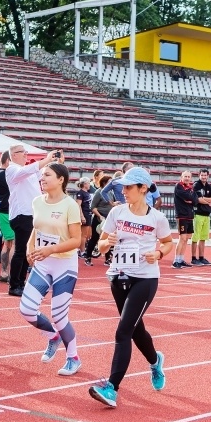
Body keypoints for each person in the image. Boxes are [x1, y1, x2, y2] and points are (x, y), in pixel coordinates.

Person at [88, 168, 175, 408]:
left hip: (145, 279)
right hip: (118, 277)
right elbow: (102, 246)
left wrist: (157, 253)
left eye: (128, 187)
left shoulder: (156, 218)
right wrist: (108, 242)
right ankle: (155, 360)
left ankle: (111, 388)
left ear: (143, 189)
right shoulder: (116, 212)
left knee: (123, 331)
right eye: (123, 187)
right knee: (135, 330)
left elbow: (168, 243)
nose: (123, 191)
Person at [19, 162, 83, 376]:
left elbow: (76, 240)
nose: (42, 178)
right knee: (26, 309)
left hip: (64, 264)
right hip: (43, 263)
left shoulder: (70, 205)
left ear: (61, 179)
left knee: (59, 315)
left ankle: (73, 357)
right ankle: (53, 337)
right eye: (41, 175)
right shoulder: (37, 201)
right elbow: (36, 229)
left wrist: (51, 249)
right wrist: (30, 248)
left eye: (47, 175)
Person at [5, 145, 60, 296]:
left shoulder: (26, 171)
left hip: (31, 215)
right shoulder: (12, 169)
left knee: (26, 252)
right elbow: (28, 170)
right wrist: (46, 159)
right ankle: (14, 284)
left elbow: (39, 173)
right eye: (23, 152)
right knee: (21, 251)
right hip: (21, 215)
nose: (26, 155)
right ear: (14, 155)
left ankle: (20, 283)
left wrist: (53, 163)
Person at [0, 151, 15, 282]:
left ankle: (4, 273)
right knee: (14, 244)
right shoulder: (6, 174)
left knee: (7, 243)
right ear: (8, 160)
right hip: (10, 211)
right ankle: (12, 274)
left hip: (2, 211)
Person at [86, 175, 114, 266]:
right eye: (110, 182)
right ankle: (88, 257)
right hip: (99, 219)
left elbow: (112, 204)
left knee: (108, 239)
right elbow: (92, 207)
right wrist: (100, 216)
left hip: (108, 219)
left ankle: (107, 259)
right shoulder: (99, 192)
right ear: (104, 183)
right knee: (94, 238)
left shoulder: (110, 192)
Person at [172, 170, 197, 269]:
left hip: (190, 216)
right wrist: (190, 198)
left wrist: (191, 199)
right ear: (181, 177)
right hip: (182, 215)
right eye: (185, 176)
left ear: (191, 178)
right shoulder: (179, 186)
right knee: (182, 238)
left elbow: (195, 200)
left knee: (186, 238)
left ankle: (181, 259)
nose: (187, 178)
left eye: (188, 177)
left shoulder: (191, 188)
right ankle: (176, 260)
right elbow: (186, 196)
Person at [191, 168, 211, 266]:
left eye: (205, 175)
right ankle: (193, 258)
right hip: (198, 214)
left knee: (203, 238)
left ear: (208, 176)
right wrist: (207, 202)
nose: (204, 177)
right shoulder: (196, 185)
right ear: (199, 175)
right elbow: (198, 199)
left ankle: (201, 257)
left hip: (206, 215)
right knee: (195, 237)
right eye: (202, 175)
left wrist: (204, 200)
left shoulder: (209, 187)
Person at [76, 177, 94, 265]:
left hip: (88, 214)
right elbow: (78, 205)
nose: (89, 184)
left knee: (86, 234)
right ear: (85, 184)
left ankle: (80, 249)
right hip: (85, 213)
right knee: (83, 234)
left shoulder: (87, 193)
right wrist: (82, 216)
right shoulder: (81, 193)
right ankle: (82, 251)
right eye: (88, 183)